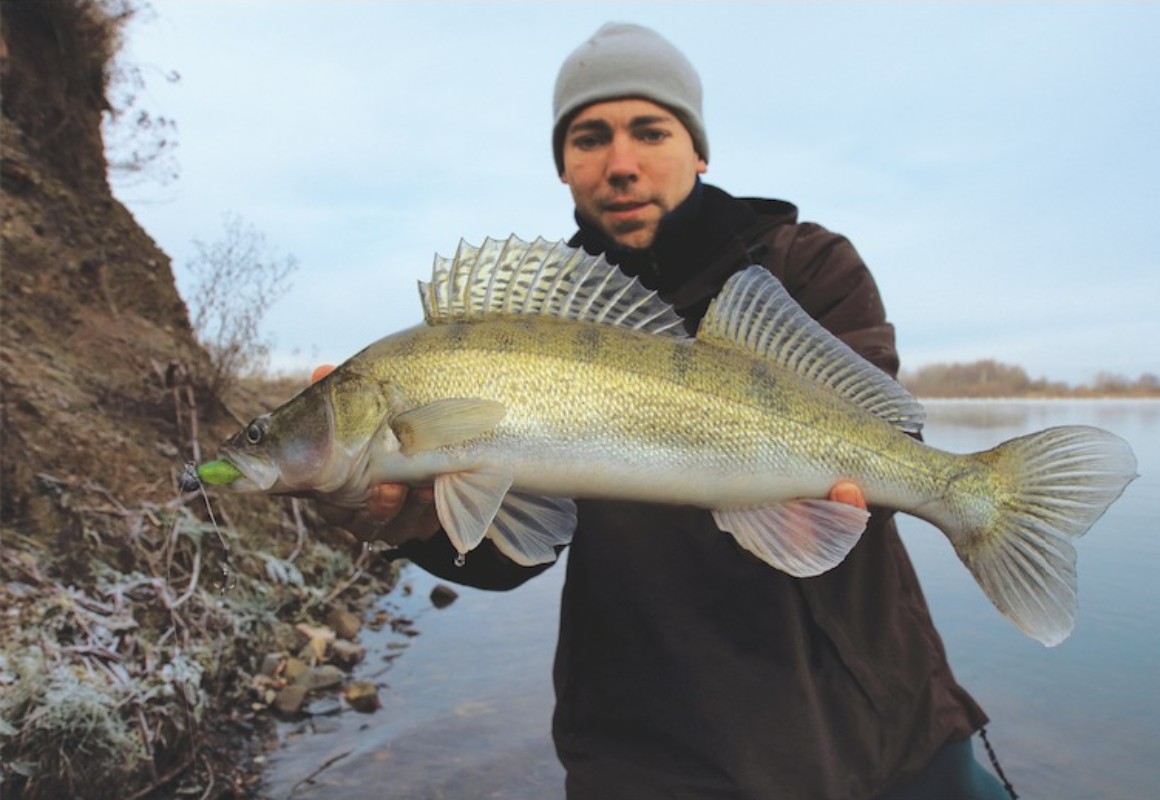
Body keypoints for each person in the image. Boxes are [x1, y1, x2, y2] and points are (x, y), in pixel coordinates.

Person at [320, 22, 1014, 800]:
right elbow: (524, 543)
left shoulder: (801, 264)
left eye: (649, 130)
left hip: (875, 724)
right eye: (589, 138)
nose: (620, 164)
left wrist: (918, 486)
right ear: (563, 167)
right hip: (649, 744)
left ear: (699, 149)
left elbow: (886, 445)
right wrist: (415, 525)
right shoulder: (531, 327)